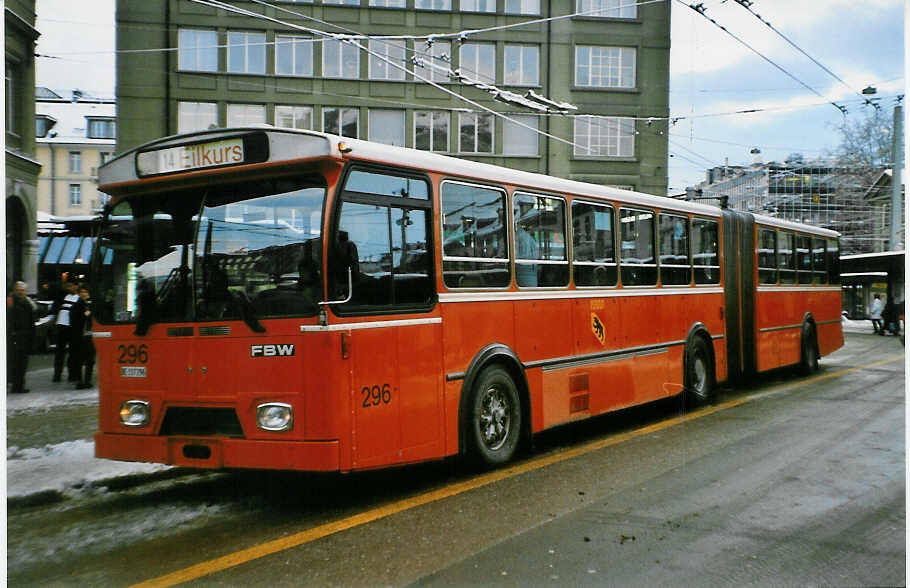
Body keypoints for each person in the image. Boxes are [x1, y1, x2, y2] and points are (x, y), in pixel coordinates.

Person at [7, 281, 35, 394]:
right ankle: (16, 386)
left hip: (25, 338)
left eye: (23, 290)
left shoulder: (27, 303)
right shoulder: (11, 303)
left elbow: (33, 317)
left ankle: (19, 385)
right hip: (15, 338)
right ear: (15, 290)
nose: (21, 292)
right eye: (19, 290)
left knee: (22, 364)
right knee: (15, 363)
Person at [51, 279, 80, 382]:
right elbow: (54, 309)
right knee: (60, 353)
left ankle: (72, 375)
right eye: (68, 286)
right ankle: (57, 375)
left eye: (71, 286)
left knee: (72, 353)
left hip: (72, 327)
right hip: (61, 326)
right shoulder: (61, 297)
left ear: (76, 286)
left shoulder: (79, 298)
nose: (69, 288)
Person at [70, 284, 96, 389]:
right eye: (82, 292)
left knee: (89, 359)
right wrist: (85, 315)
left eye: (85, 292)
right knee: (80, 360)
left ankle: (87, 380)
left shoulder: (90, 305)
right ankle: (80, 381)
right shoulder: (76, 306)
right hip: (80, 337)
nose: (84, 294)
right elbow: (75, 321)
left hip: (89, 336)